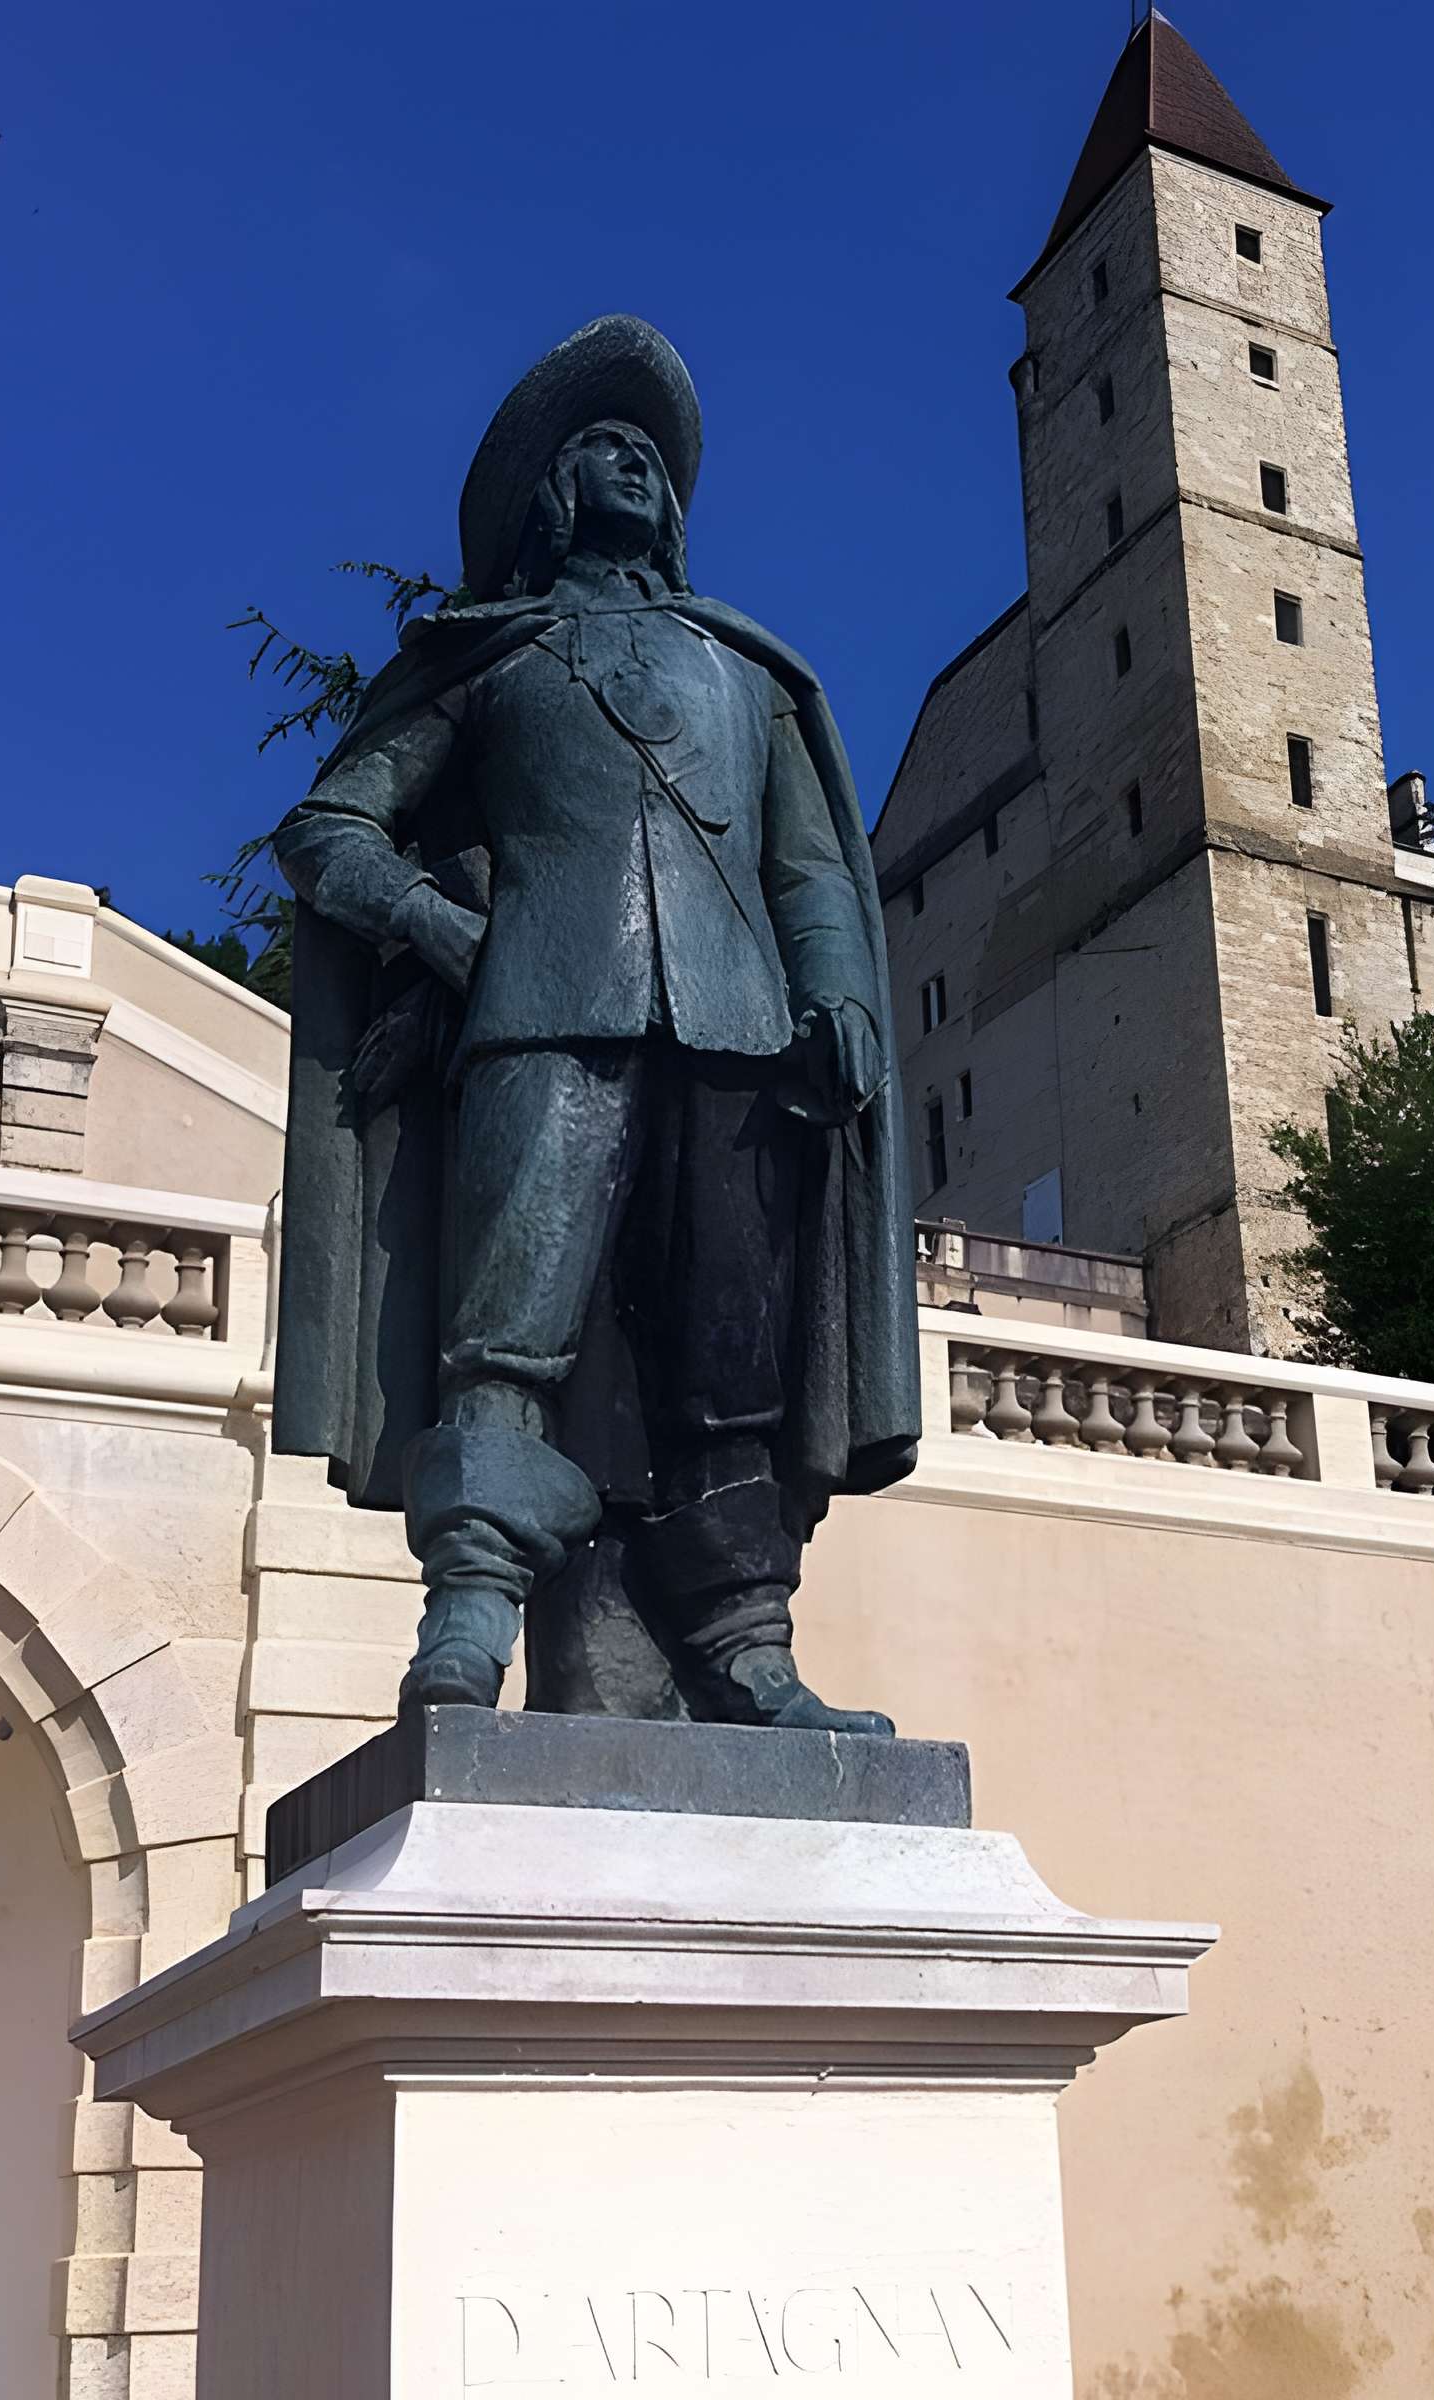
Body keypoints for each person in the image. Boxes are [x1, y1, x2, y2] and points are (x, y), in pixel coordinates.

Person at [273, 317, 918, 1733]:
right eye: (599, 447)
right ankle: (468, 1619)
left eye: (647, 451)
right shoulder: (488, 659)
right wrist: (436, 927)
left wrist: (841, 994)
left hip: (740, 1036)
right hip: (541, 1017)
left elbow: (807, 866)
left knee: (725, 1354)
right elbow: (328, 826)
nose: (630, 460)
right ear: (549, 499)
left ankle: (748, 1647)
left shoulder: (749, 673)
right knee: (508, 1334)